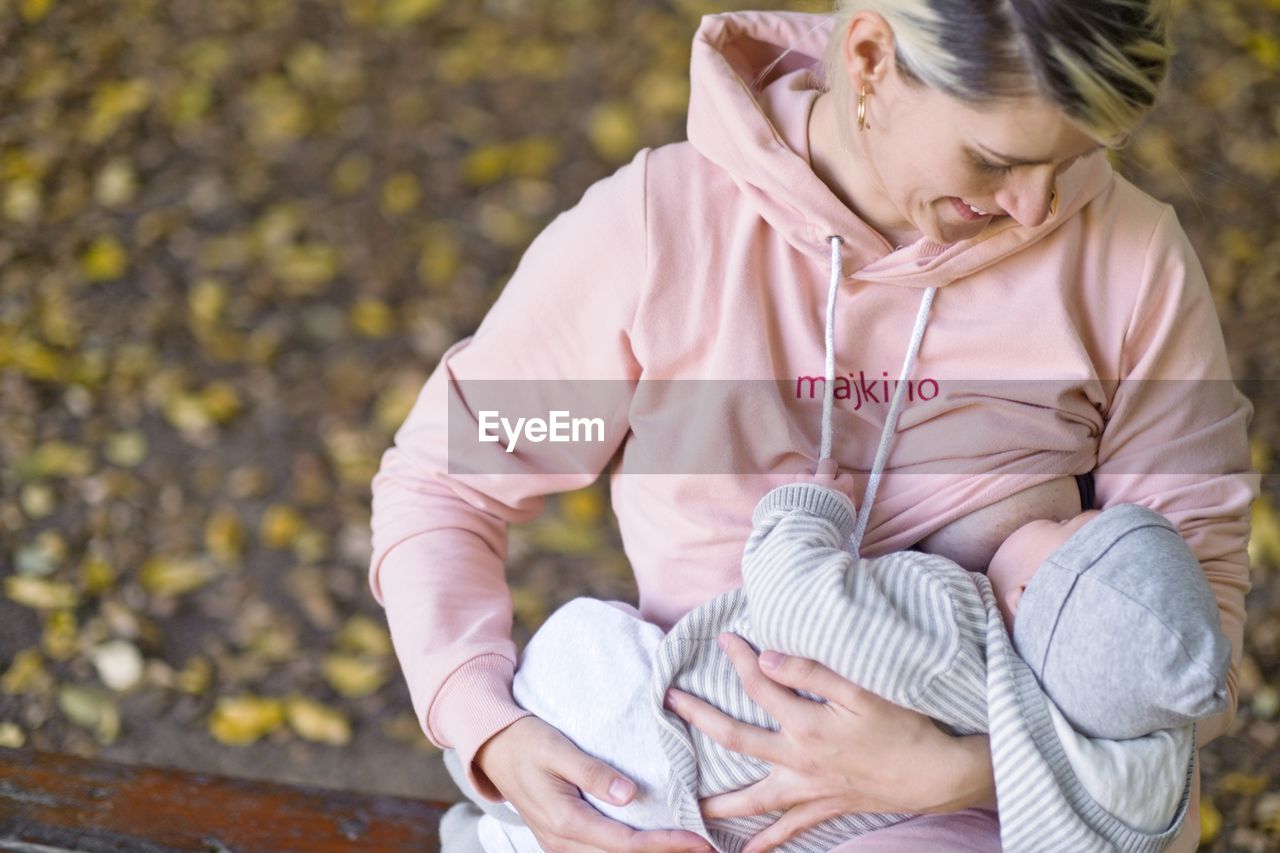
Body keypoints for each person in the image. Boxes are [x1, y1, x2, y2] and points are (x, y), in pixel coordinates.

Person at [369, 3, 1258, 851]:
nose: (1034, 207)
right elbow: (448, 481)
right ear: (869, 59)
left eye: (1070, 161)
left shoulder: (1129, 263)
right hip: (680, 788)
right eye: (994, 159)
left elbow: (1188, 639)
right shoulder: (665, 233)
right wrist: (491, 730)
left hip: (989, 818)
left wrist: (970, 771)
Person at [450, 485, 1230, 852]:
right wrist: (484, 721)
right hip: (719, 825)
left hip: (650, 724)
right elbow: (449, 469)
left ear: (1030, 595)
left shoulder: (953, 617)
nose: (1047, 515)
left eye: (1064, 520)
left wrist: (807, 510)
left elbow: (800, 605)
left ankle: (497, 805)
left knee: (589, 647)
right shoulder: (1066, 748)